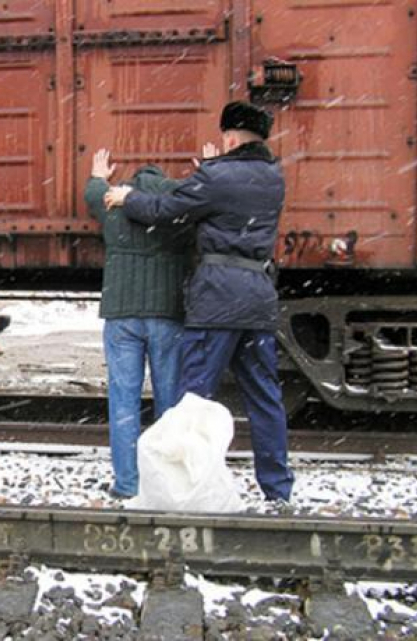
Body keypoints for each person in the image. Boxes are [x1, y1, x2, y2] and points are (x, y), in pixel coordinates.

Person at [103, 101, 294, 502]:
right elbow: (226, 198)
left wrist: (126, 197)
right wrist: (209, 173)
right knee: (264, 397)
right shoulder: (274, 178)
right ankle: (278, 490)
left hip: (217, 301)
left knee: (192, 402)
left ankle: (187, 487)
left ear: (228, 138)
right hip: (258, 299)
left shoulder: (217, 176)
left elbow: (166, 210)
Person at [84, 150, 190, 499]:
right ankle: (166, 482)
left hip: (121, 315)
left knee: (123, 401)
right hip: (166, 315)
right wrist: (209, 170)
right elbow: (207, 199)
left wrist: (99, 175)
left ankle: (127, 483)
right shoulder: (177, 208)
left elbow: (91, 196)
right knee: (170, 403)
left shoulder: (113, 204)